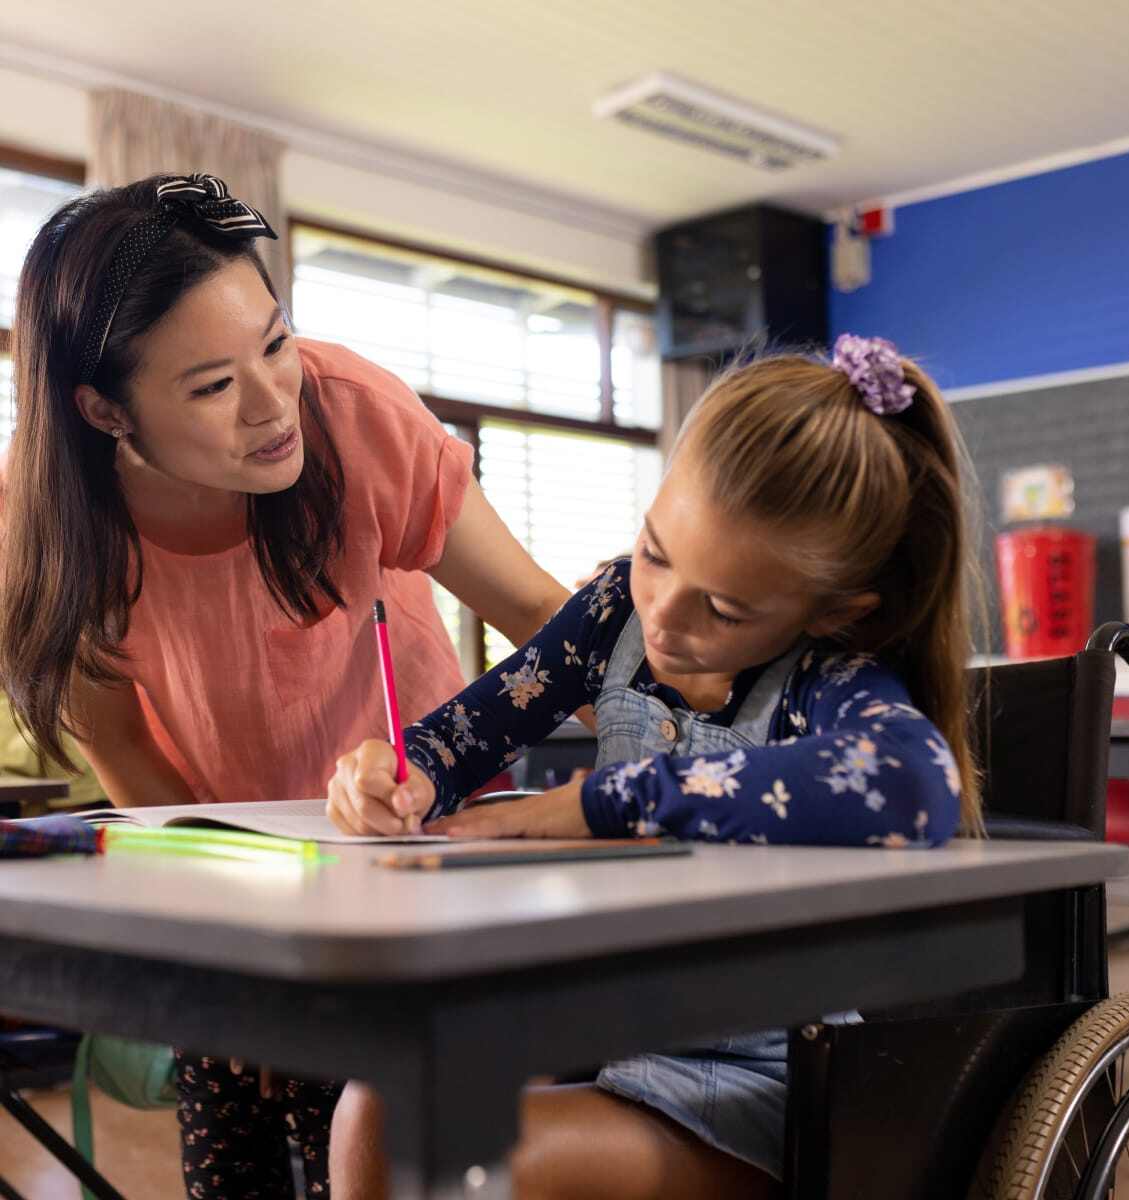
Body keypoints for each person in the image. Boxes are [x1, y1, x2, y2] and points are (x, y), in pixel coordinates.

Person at [0, 173, 572, 1198]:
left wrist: (695, 732)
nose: (275, 405)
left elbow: (546, 617)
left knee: (367, 1130)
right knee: (232, 1093)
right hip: (235, 868)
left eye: (276, 341)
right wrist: (246, 950)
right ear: (102, 410)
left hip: (413, 837)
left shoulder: (351, 416)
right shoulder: (43, 530)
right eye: (213, 386)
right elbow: (131, 758)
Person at [326, 335, 982, 1197]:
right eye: (656, 552)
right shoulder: (610, 610)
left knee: (456, 1160)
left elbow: (914, 784)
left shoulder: (831, 680)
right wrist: (398, 772)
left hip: (761, 1082)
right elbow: (463, 736)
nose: (664, 618)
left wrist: (600, 804)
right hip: (611, 1024)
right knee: (378, 1105)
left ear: (831, 614)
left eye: (724, 608)